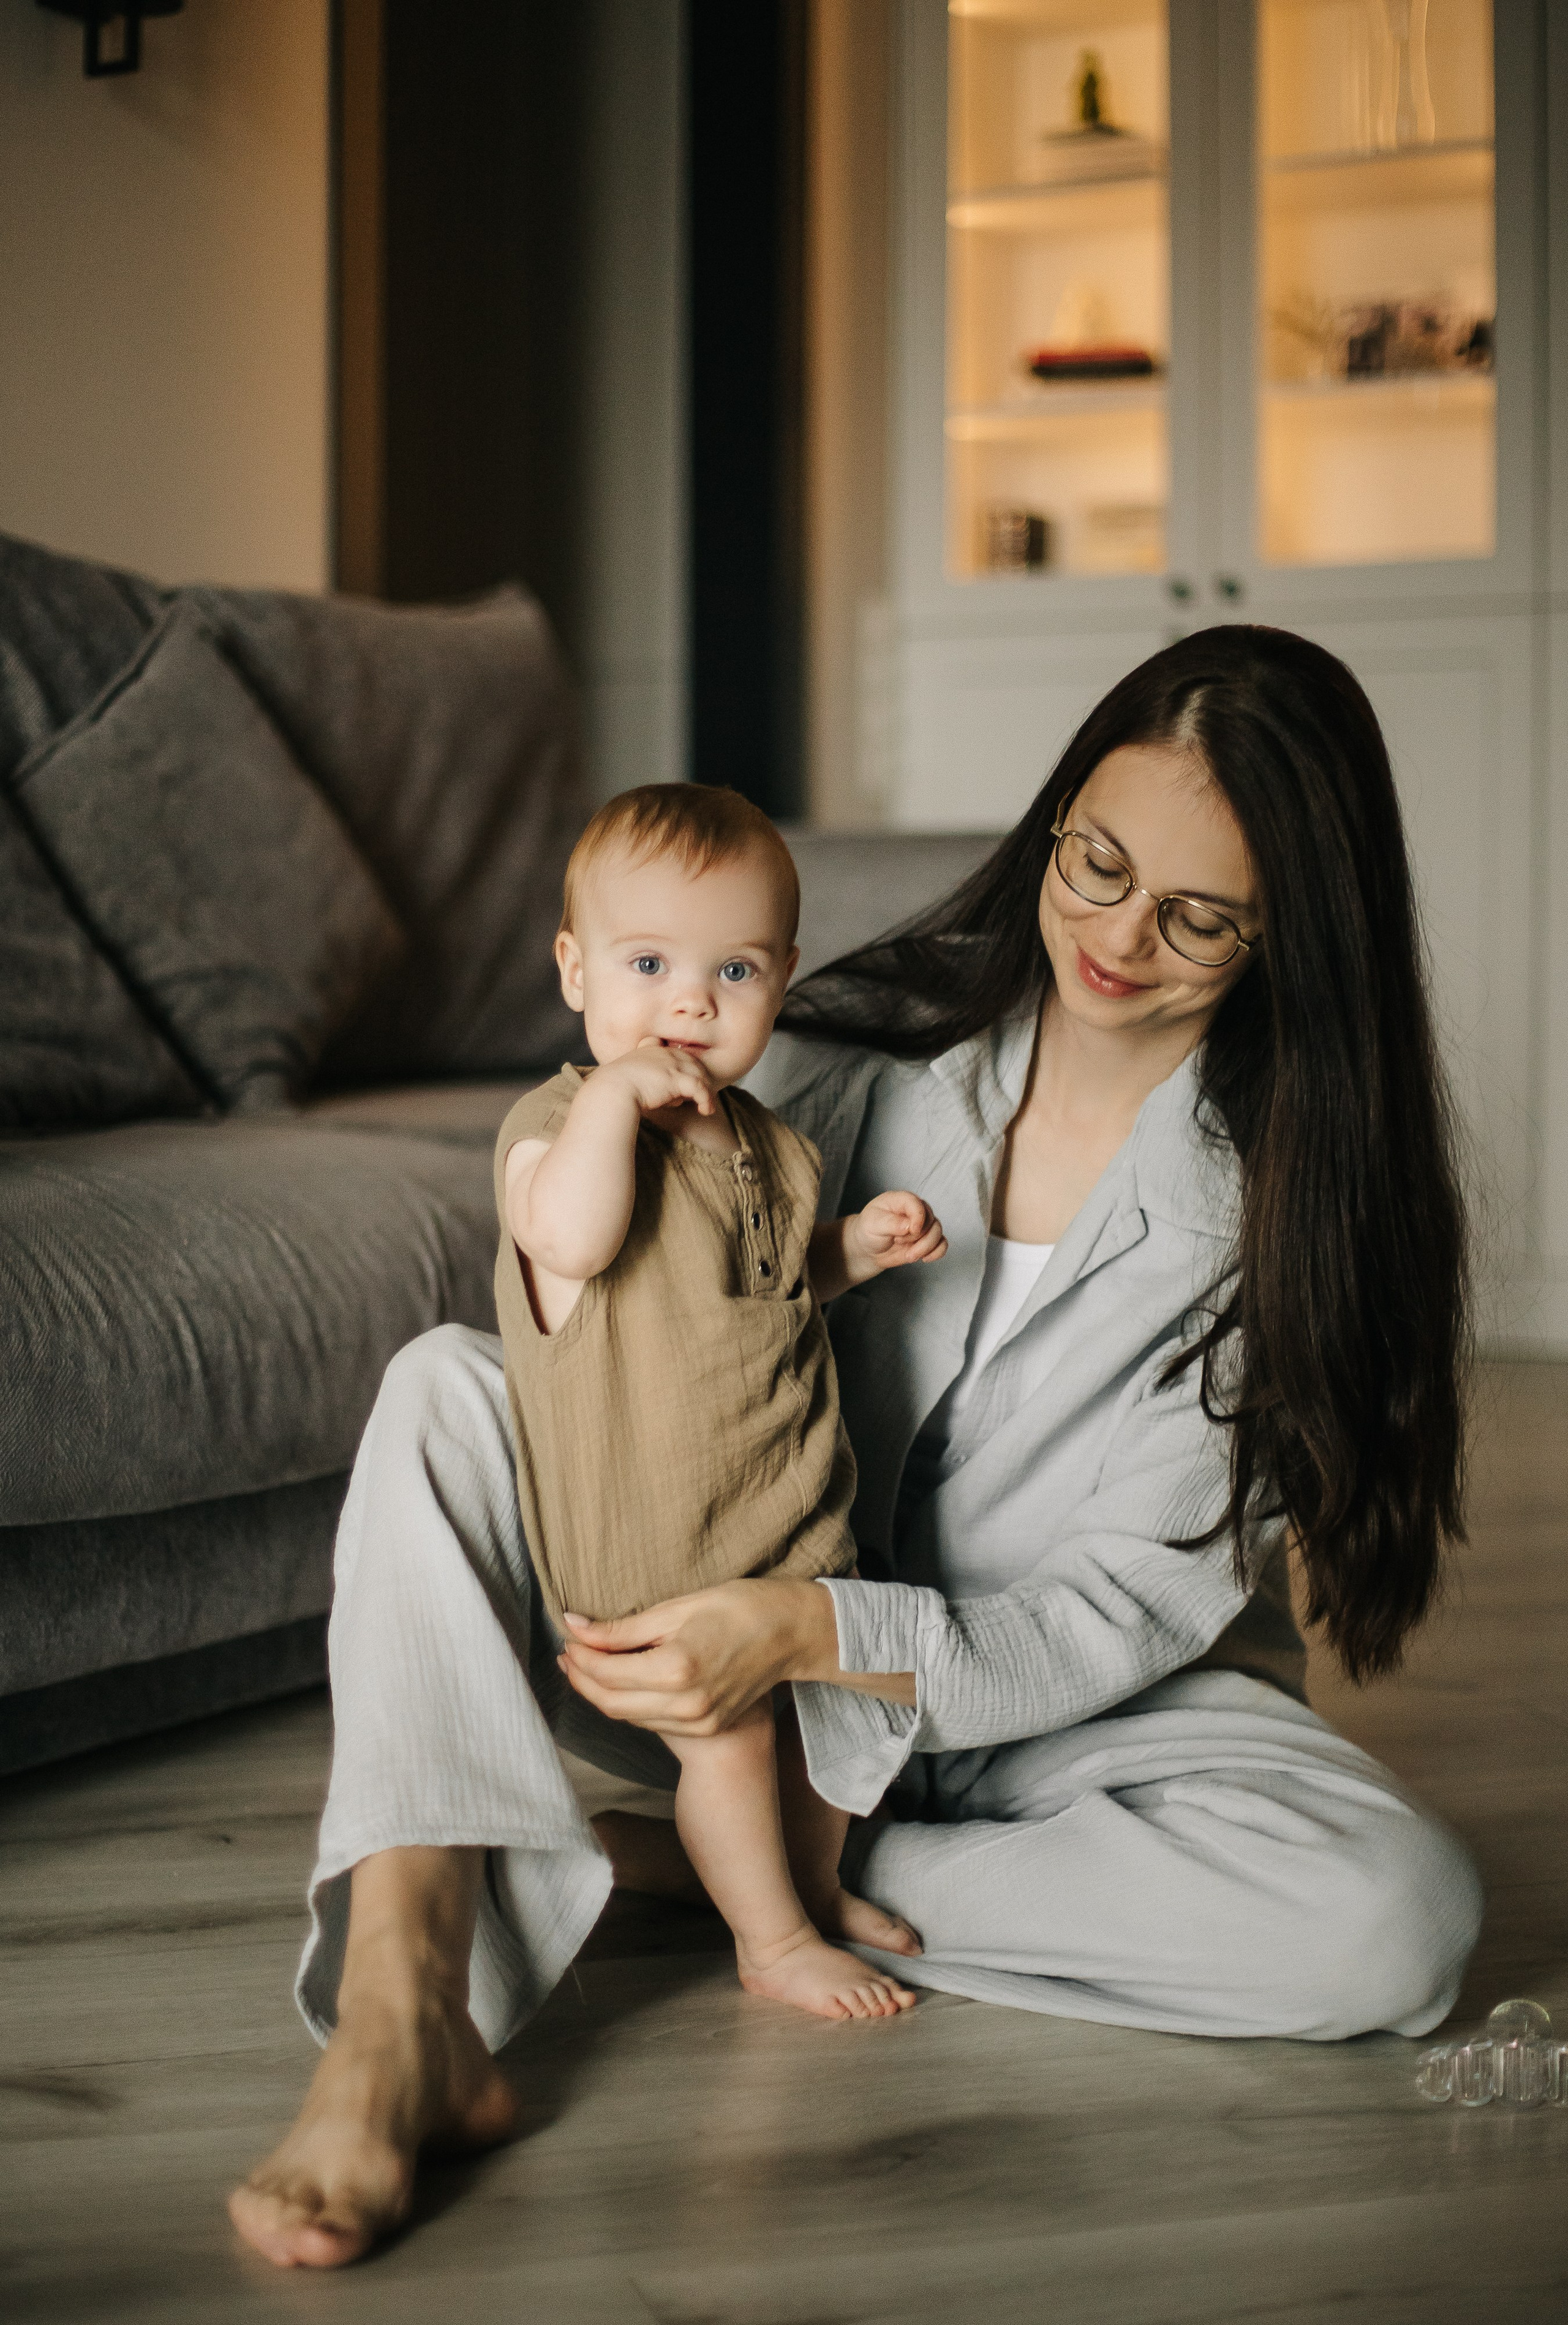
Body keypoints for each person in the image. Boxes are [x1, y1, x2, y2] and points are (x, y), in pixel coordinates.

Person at [230, 625, 1483, 2272]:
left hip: (1072, 1709)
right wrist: (767, 1631)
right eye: (1097, 865)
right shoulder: (844, 1057)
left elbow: (1117, 1613)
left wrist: (823, 1632)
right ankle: (404, 2001)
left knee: (1404, 1923)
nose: (1119, 935)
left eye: (1197, 914)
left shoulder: (1287, 1203)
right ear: (1053, 824)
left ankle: (764, 1868)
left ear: (1288, 935)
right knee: (444, 1387)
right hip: (726, 1674)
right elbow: (618, 1315)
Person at [492, 784, 944, 2022]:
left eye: (733, 968)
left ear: (782, 980)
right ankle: (771, 1937)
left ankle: (800, 1878)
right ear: (575, 971)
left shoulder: (767, 1143)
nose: (690, 1001)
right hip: (657, 1537)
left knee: (831, 1730)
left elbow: (768, 1277)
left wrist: (859, 1244)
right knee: (732, 1738)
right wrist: (605, 1106)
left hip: (778, 1506)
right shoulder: (555, 1129)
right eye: (647, 963)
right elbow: (572, 1240)